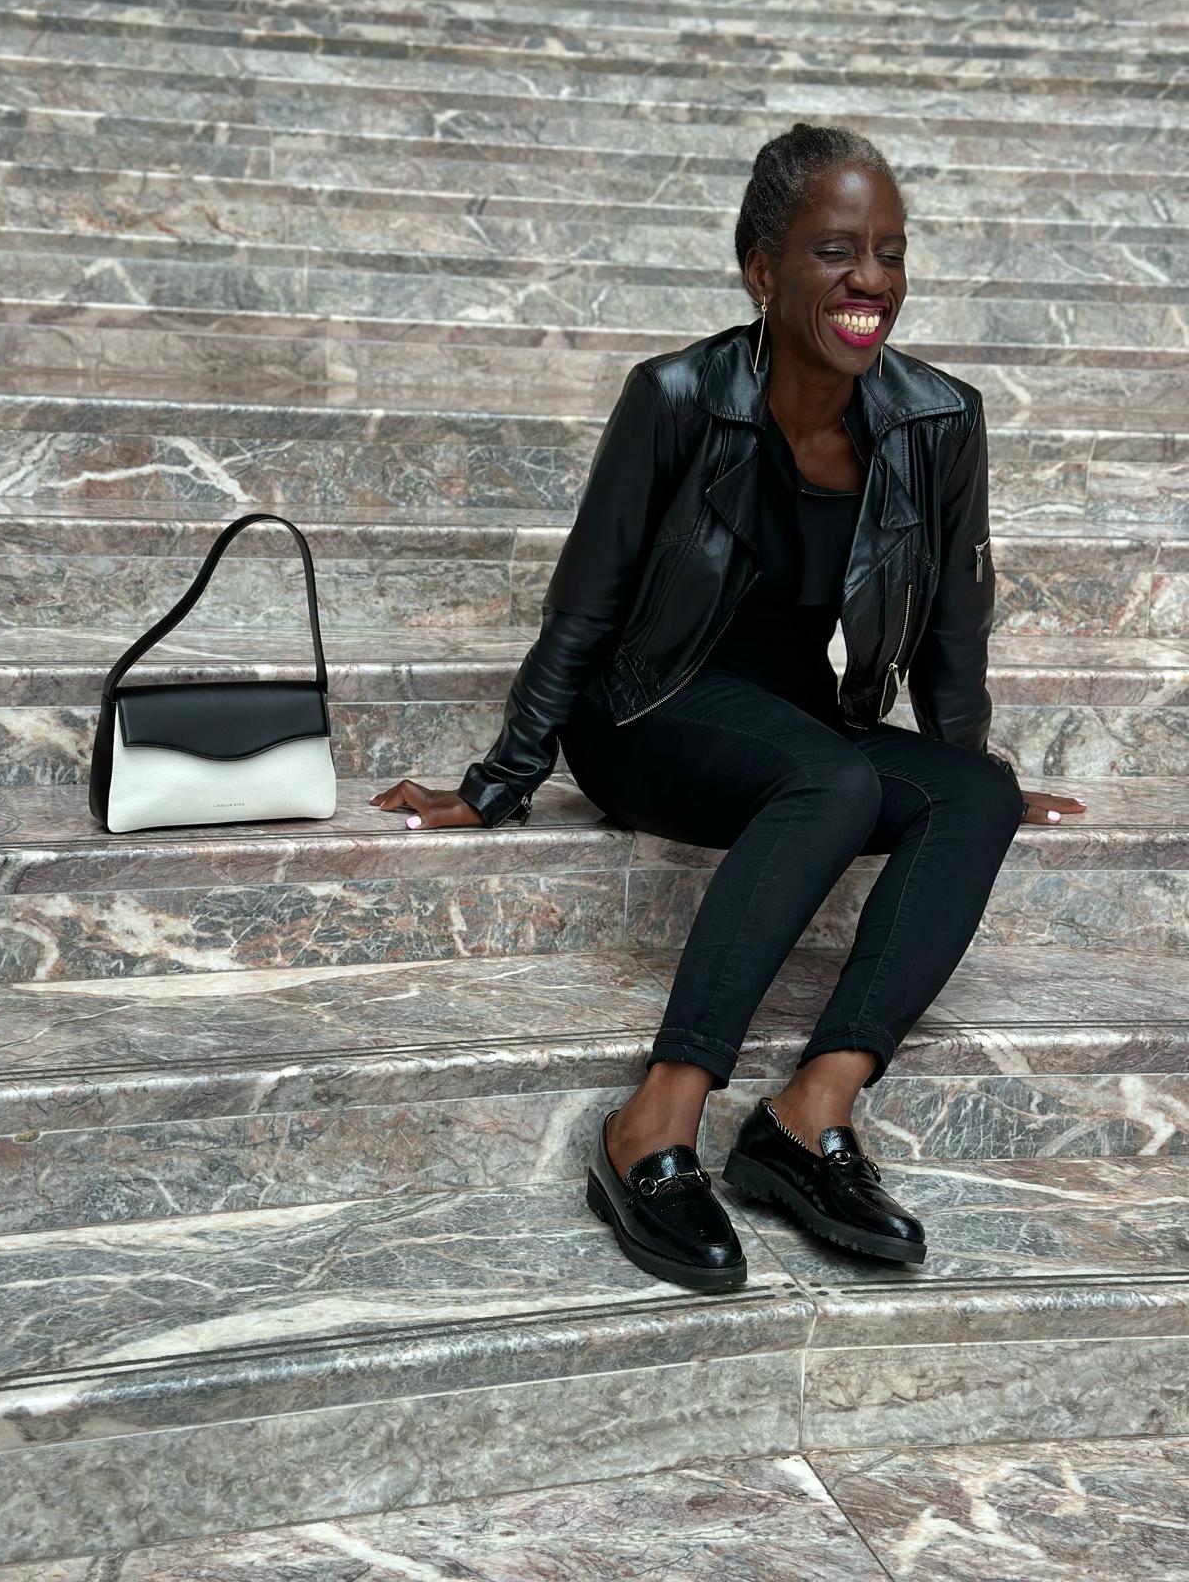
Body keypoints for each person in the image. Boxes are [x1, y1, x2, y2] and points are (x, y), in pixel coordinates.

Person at [369, 123, 1088, 1293]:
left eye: (892, 254)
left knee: (975, 795)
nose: (872, 282)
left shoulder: (939, 422)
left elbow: (954, 624)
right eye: (837, 251)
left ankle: (809, 1115)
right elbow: (585, 604)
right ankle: (651, 1122)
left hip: (797, 726)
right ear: (760, 268)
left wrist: (966, 771)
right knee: (836, 779)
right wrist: (500, 781)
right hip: (649, 713)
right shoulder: (676, 397)